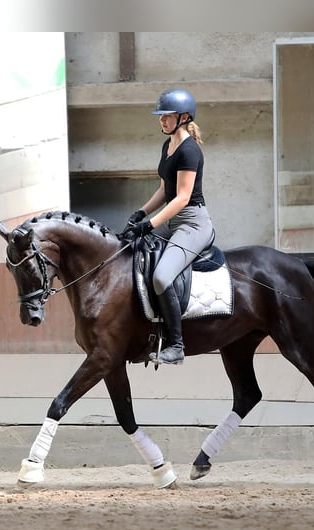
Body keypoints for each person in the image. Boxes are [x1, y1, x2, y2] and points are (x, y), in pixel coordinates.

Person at [121, 88, 214, 365]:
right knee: (129, 249)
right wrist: (141, 212)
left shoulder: (189, 151)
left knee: (162, 276)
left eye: (166, 116)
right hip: (171, 220)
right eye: (160, 116)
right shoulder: (168, 146)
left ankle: (176, 345)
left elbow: (183, 198)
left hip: (193, 223)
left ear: (183, 117)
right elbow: (165, 189)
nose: (161, 121)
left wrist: (149, 225)